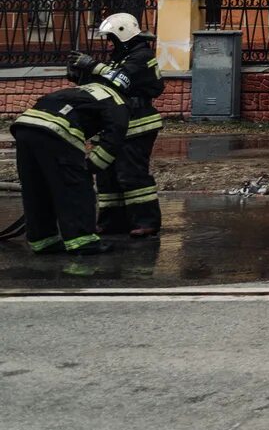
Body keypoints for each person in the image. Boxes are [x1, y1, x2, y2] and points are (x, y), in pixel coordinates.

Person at [10, 62, 129, 256]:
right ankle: (82, 241)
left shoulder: (83, 90)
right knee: (75, 186)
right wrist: (91, 167)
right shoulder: (117, 100)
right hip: (56, 130)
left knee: (36, 187)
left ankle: (43, 240)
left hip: (25, 126)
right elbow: (114, 137)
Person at [71, 13, 165, 236]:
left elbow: (121, 80)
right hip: (116, 122)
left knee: (131, 174)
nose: (110, 42)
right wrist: (80, 76)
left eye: (112, 37)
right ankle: (112, 222)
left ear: (123, 34)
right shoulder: (120, 56)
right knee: (107, 175)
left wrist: (94, 66)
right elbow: (105, 83)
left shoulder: (141, 56)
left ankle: (146, 221)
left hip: (137, 122)